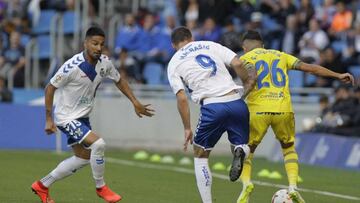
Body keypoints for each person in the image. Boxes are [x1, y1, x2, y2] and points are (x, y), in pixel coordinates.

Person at [31, 27, 154, 203]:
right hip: (66, 117)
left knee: (82, 159)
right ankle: (101, 187)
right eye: (95, 43)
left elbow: (119, 80)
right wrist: (49, 119)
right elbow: (50, 88)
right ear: (86, 43)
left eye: (101, 44)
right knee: (99, 144)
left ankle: (42, 186)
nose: (98, 47)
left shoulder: (105, 63)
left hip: (82, 117)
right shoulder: (71, 66)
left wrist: (135, 102)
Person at [237, 30, 354, 203]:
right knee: (288, 148)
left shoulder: (243, 59)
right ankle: (293, 187)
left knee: (248, 150)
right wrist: (337, 75)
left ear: (244, 47)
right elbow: (310, 68)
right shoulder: (280, 55)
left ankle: (246, 184)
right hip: (283, 109)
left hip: (258, 110)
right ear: (263, 45)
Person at [167, 26, 257, 203]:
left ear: (173, 45)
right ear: (191, 38)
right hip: (236, 101)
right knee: (240, 145)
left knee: (200, 155)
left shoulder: (174, 62)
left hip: (212, 107)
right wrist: (246, 80)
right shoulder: (209, 45)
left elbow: (182, 98)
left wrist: (187, 128)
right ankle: (241, 150)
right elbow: (238, 63)